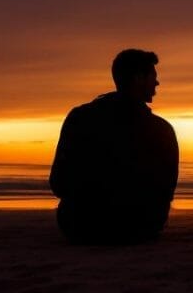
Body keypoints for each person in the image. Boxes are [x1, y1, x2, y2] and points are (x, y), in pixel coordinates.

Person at [50, 49, 179, 244]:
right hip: (138, 226)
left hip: (79, 224)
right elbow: (166, 190)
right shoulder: (161, 129)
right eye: (153, 76)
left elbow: (58, 183)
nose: (157, 82)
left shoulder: (79, 117)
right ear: (138, 78)